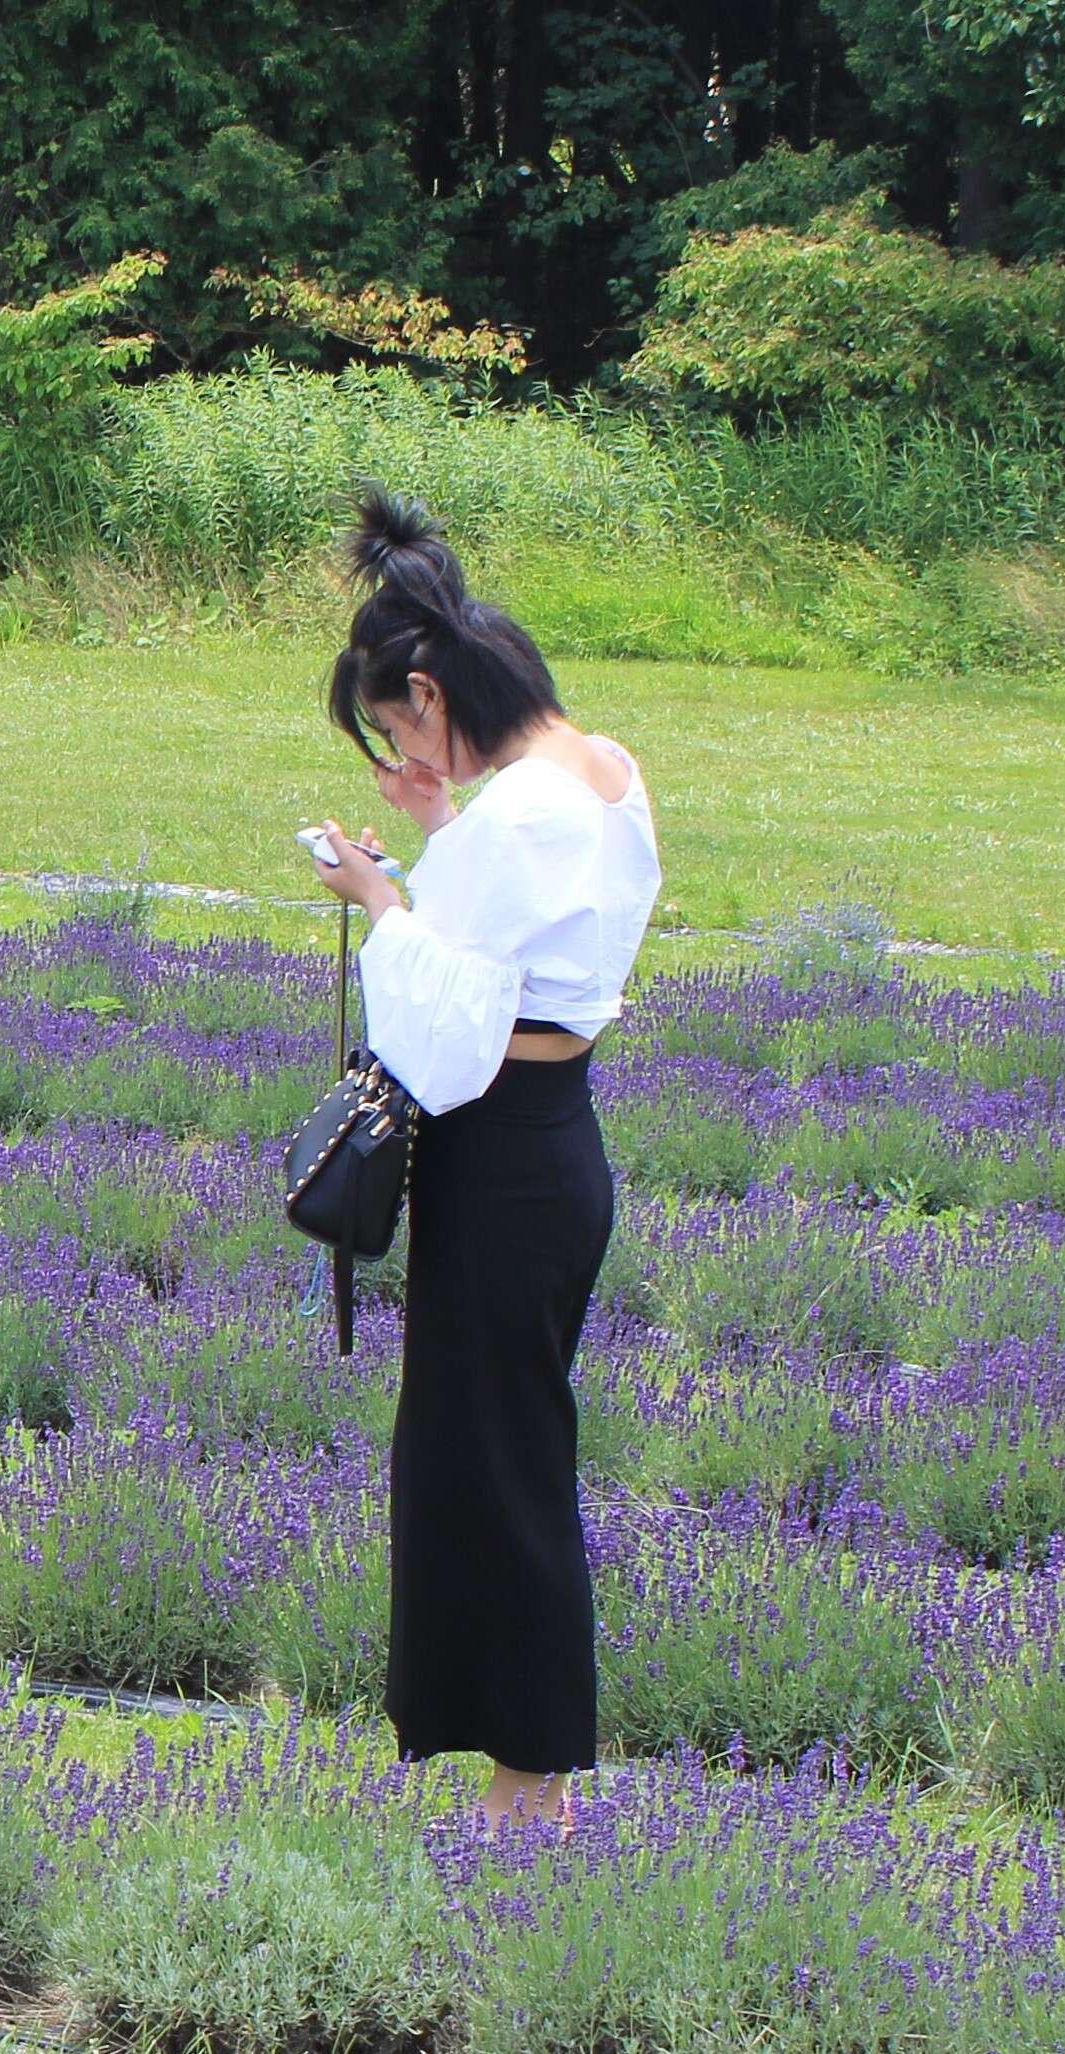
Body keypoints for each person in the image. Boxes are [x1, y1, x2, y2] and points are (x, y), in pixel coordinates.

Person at [303, 485, 659, 1832]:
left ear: (432, 688)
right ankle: (520, 1783)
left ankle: (529, 1795)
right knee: (486, 1454)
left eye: (396, 724)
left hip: (502, 1155)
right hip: (548, 1143)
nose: (399, 745)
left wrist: (378, 898)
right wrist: (437, 829)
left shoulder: (519, 820)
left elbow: (441, 1032)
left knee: (500, 1468)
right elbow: (521, 954)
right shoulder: (591, 771)